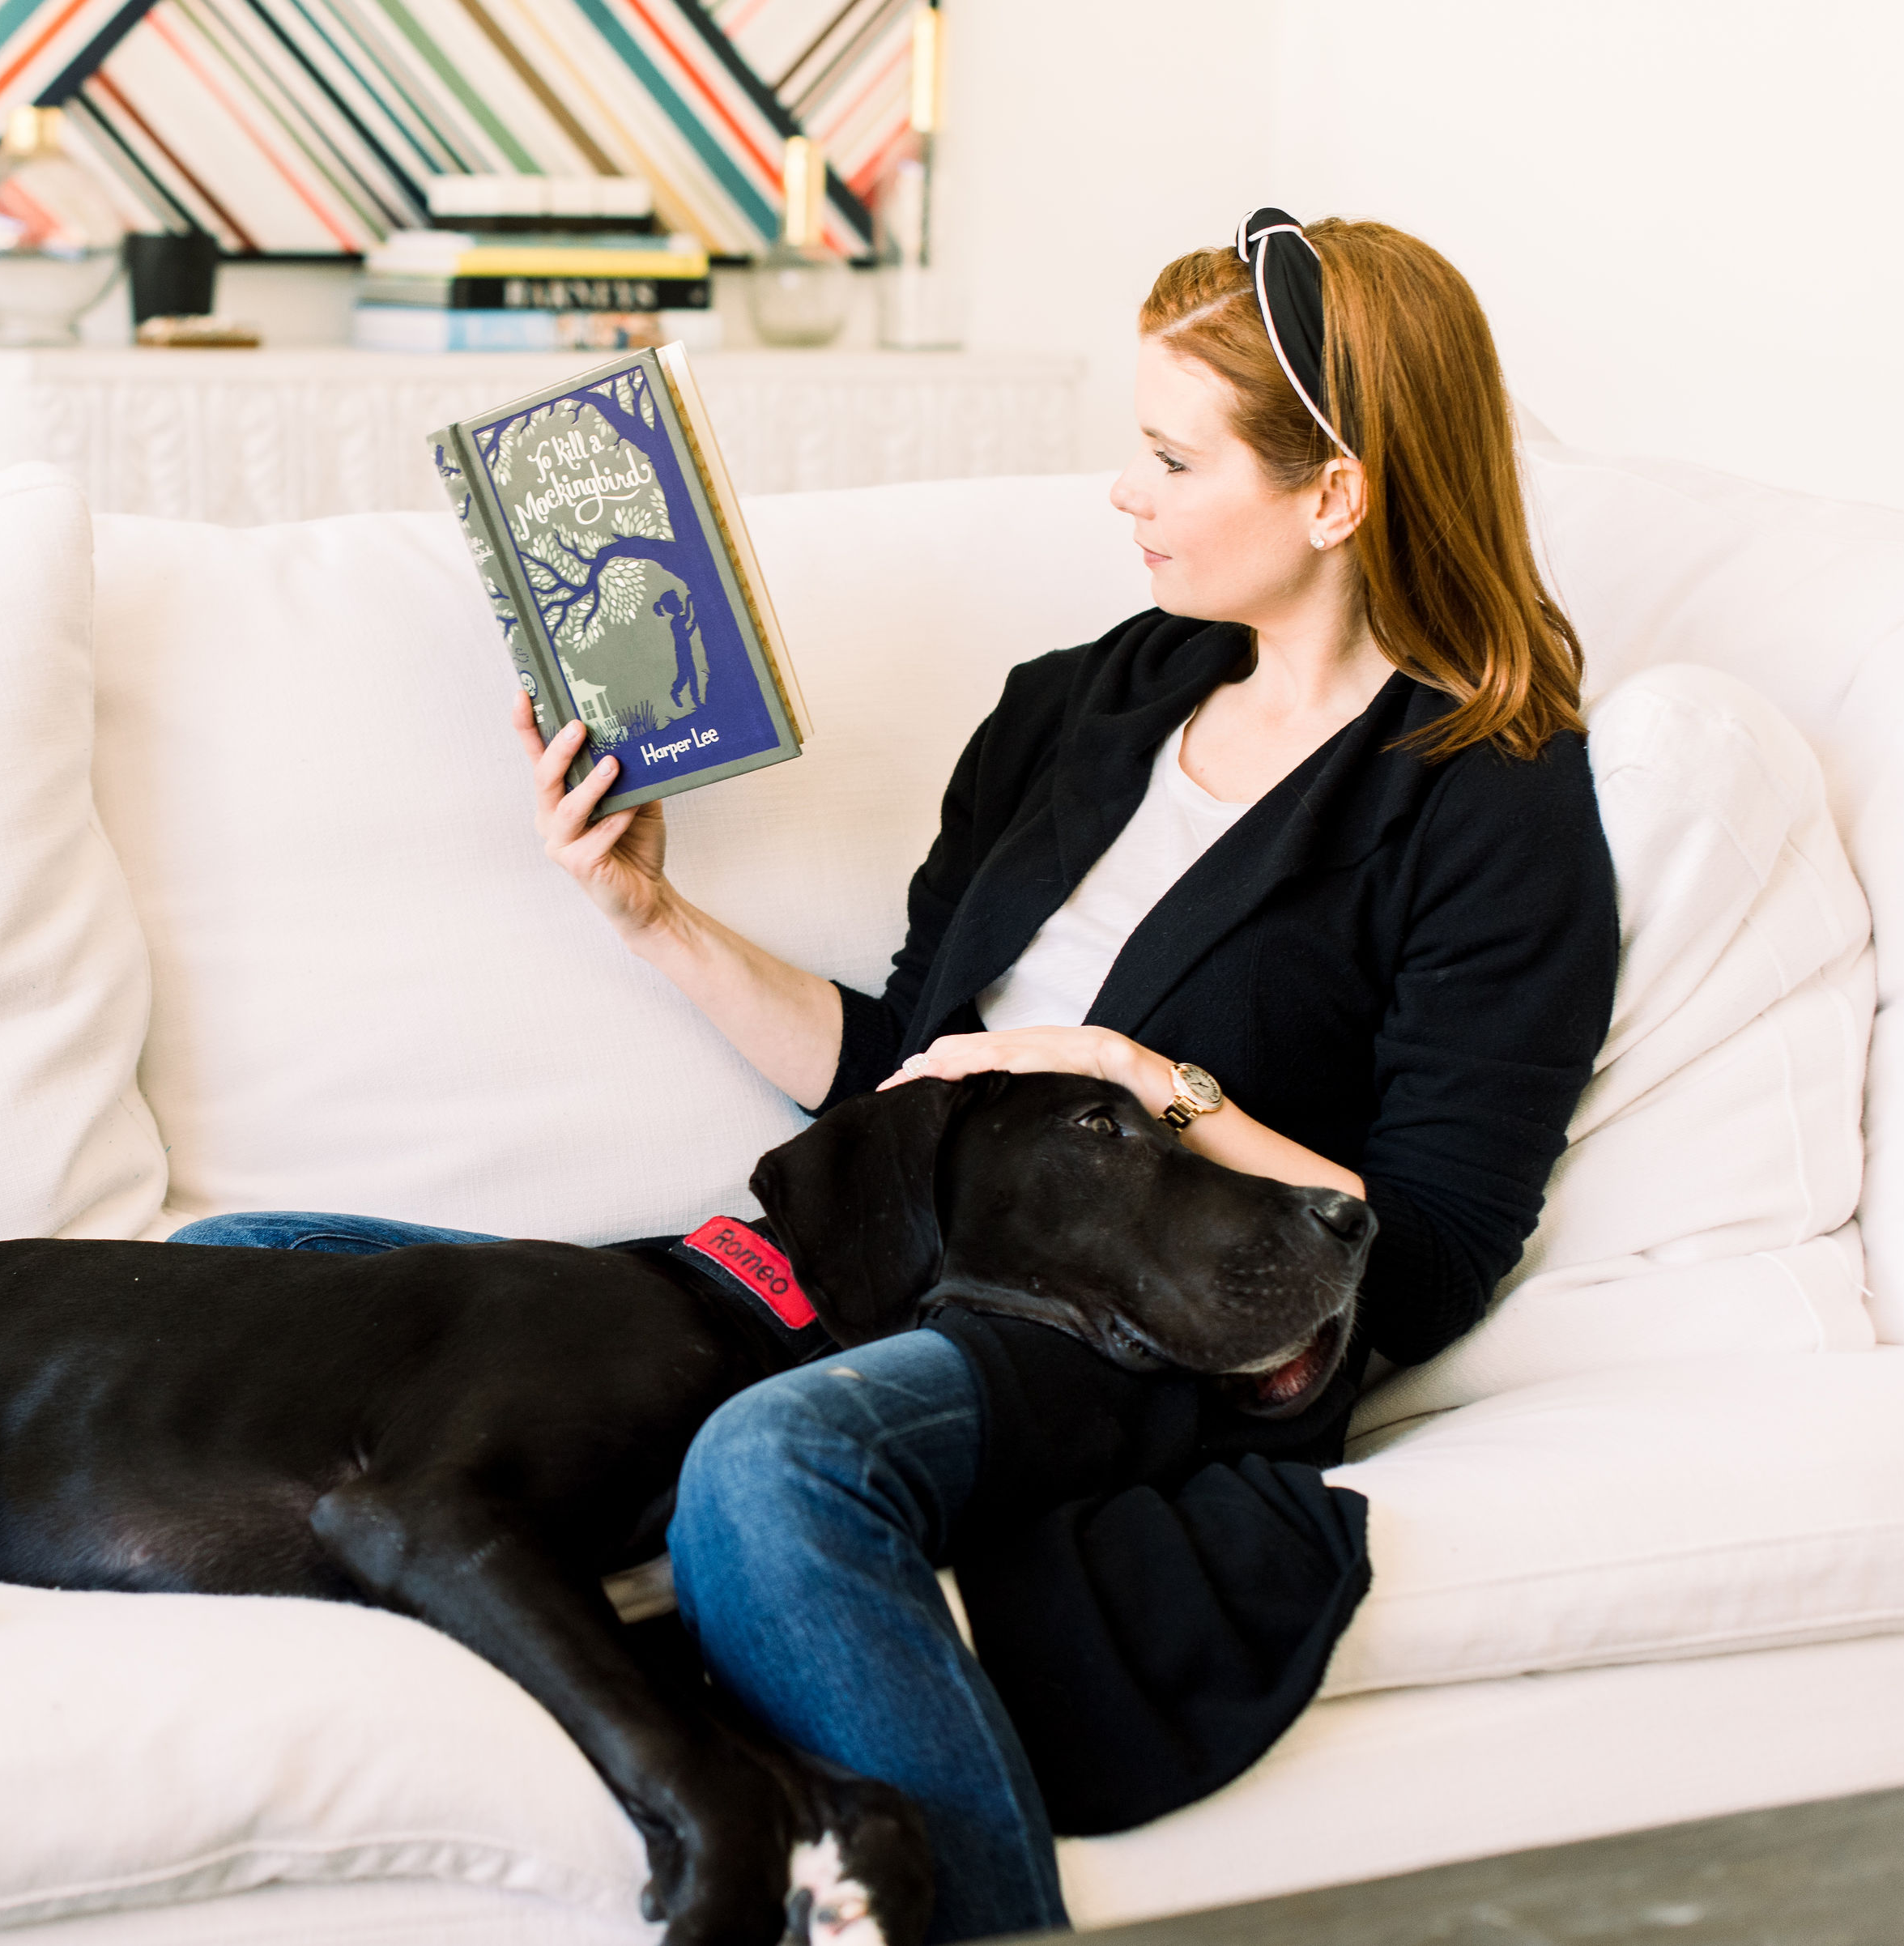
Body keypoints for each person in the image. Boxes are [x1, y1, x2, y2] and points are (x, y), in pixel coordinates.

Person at [177, 210, 1618, 1938]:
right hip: (863, 1250)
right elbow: (904, 1072)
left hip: (1126, 1316)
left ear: (1333, 494)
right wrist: (647, 909)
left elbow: (1438, 1245)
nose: (1124, 493)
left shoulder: (1487, 794)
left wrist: (1136, 1080)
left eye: (1169, 457)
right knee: (235, 1273)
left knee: (774, 1466)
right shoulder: (1079, 705)